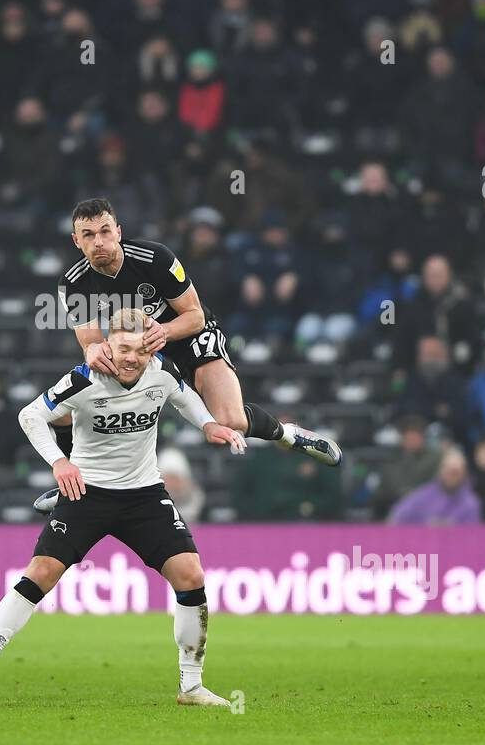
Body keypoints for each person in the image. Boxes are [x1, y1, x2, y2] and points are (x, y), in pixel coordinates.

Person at [0, 309, 246, 708]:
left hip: (143, 493)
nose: (131, 358)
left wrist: (209, 424)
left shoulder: (160, 370)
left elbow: (183, 397)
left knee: (190, 575)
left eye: (140, 350)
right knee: (41, 574)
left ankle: (191, 687)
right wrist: (60, 462)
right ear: (107, 344)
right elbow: (31, 415)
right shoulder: (83, 379)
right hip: (87, 492)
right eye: (123, 348)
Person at [32, 197, 340, 513]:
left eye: (105, 231)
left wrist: (164, 332)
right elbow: (91, 342)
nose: (98, 242)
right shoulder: (72, 283)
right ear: (76, 241)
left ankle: (289, 436)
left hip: (187, 337)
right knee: (65, 411)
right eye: (88, 235)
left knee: (229, 420)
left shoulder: (155, 258)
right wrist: (95, 351)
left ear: (119, 232)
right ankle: (76, 484)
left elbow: (195, 315)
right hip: (135, 355)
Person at [388, 447, 482, 525]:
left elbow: (471, 535)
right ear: (441, 470)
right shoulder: (423, 495)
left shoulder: (470, 503)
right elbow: (397, 516)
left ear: (464, 473)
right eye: (448, 471)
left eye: (455, 472)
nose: (451, 476)